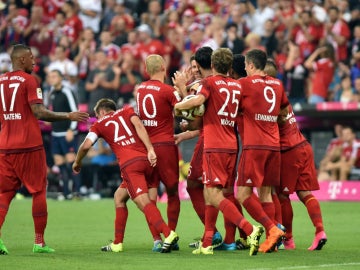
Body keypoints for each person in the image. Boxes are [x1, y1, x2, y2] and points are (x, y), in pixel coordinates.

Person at [0, 44, 89, 255]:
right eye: (31, 58)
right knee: (39, 190)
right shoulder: (30, 80)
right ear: (21, 60)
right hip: (29, 145)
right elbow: (38, 112)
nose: (34, 62)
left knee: (4, 193)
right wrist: (67, 116)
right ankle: (39, 243)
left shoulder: (1, 81)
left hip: (5, 146)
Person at [175, 48, 264, 256]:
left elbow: (197, 102)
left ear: (213, 66)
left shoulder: (209, 83)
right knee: (219, 192)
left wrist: (180, 103)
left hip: (214, 144)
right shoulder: (236, 85)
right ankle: (207, 242)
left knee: (212, 194)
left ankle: (250, 229)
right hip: (232, 144)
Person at [72, 98, 179, 253]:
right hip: (146, 159)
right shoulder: (128, 110)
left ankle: (168, 233)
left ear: (101, 112)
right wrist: (150, 149)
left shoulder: (99, 124)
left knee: (143, 202)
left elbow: (86, 145)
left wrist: (77, 162)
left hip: (130, 165)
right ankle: (118, 243)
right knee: (119, 197)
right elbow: (139, 126)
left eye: (98, 115)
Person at [265, 60, 327, 251]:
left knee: (282, 195)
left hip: (289, 150)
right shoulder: (280, 94)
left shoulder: (269, 98)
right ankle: (320, 232)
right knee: (304, 193)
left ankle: (288, 240)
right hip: (302, 146)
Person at [235, 49, 288, 253]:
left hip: (254, 145)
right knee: (265, 193)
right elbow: (283, 111)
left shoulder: (244, 84)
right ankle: (272, 242)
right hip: (273, 145)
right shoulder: (277, 84)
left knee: (243, 194)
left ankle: (272, 229)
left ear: (249, 65)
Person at [136, 54, 181, 250]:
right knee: (172, 193)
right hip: (165, 145)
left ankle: (156, 239)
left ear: (146, 70)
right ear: (163, 67)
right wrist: (182, 89)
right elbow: (182, 111)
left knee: (151, 193)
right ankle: (170, 235)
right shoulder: (168, 91)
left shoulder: (140, 90)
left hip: (146, 146)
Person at [47, 69, 82, 200]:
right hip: (55, 134)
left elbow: (75, 111)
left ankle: (77, 191)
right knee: (60, 163)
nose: (52, 78)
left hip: (67, 133)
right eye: (50, 76)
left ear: (61, 78)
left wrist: (71, 129)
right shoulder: (50, 93)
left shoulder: (67, 91)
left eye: (54, 76)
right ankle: (66, 192)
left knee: (71, 163)